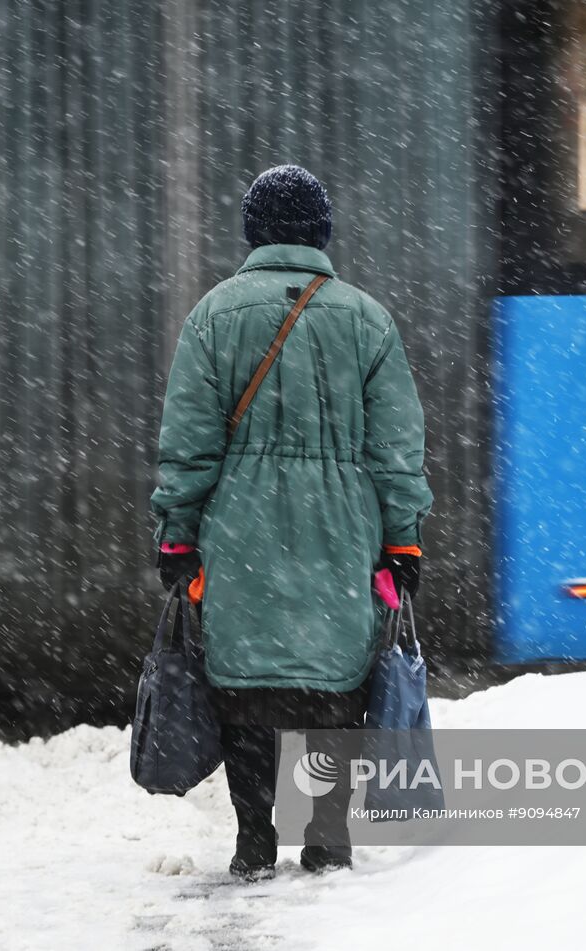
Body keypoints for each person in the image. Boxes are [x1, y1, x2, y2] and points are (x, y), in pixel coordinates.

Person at [150, 165, 433, 880]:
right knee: (330, 681)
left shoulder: (213, 315)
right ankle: (328, 838)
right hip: (343, 527)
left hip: (237, 525)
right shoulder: (367, 320)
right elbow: (397, 451)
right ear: (322, 231)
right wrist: (403, 538)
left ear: (253, 232)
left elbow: (187, 444)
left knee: (245, 681)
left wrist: (178, 531)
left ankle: (253, 838)